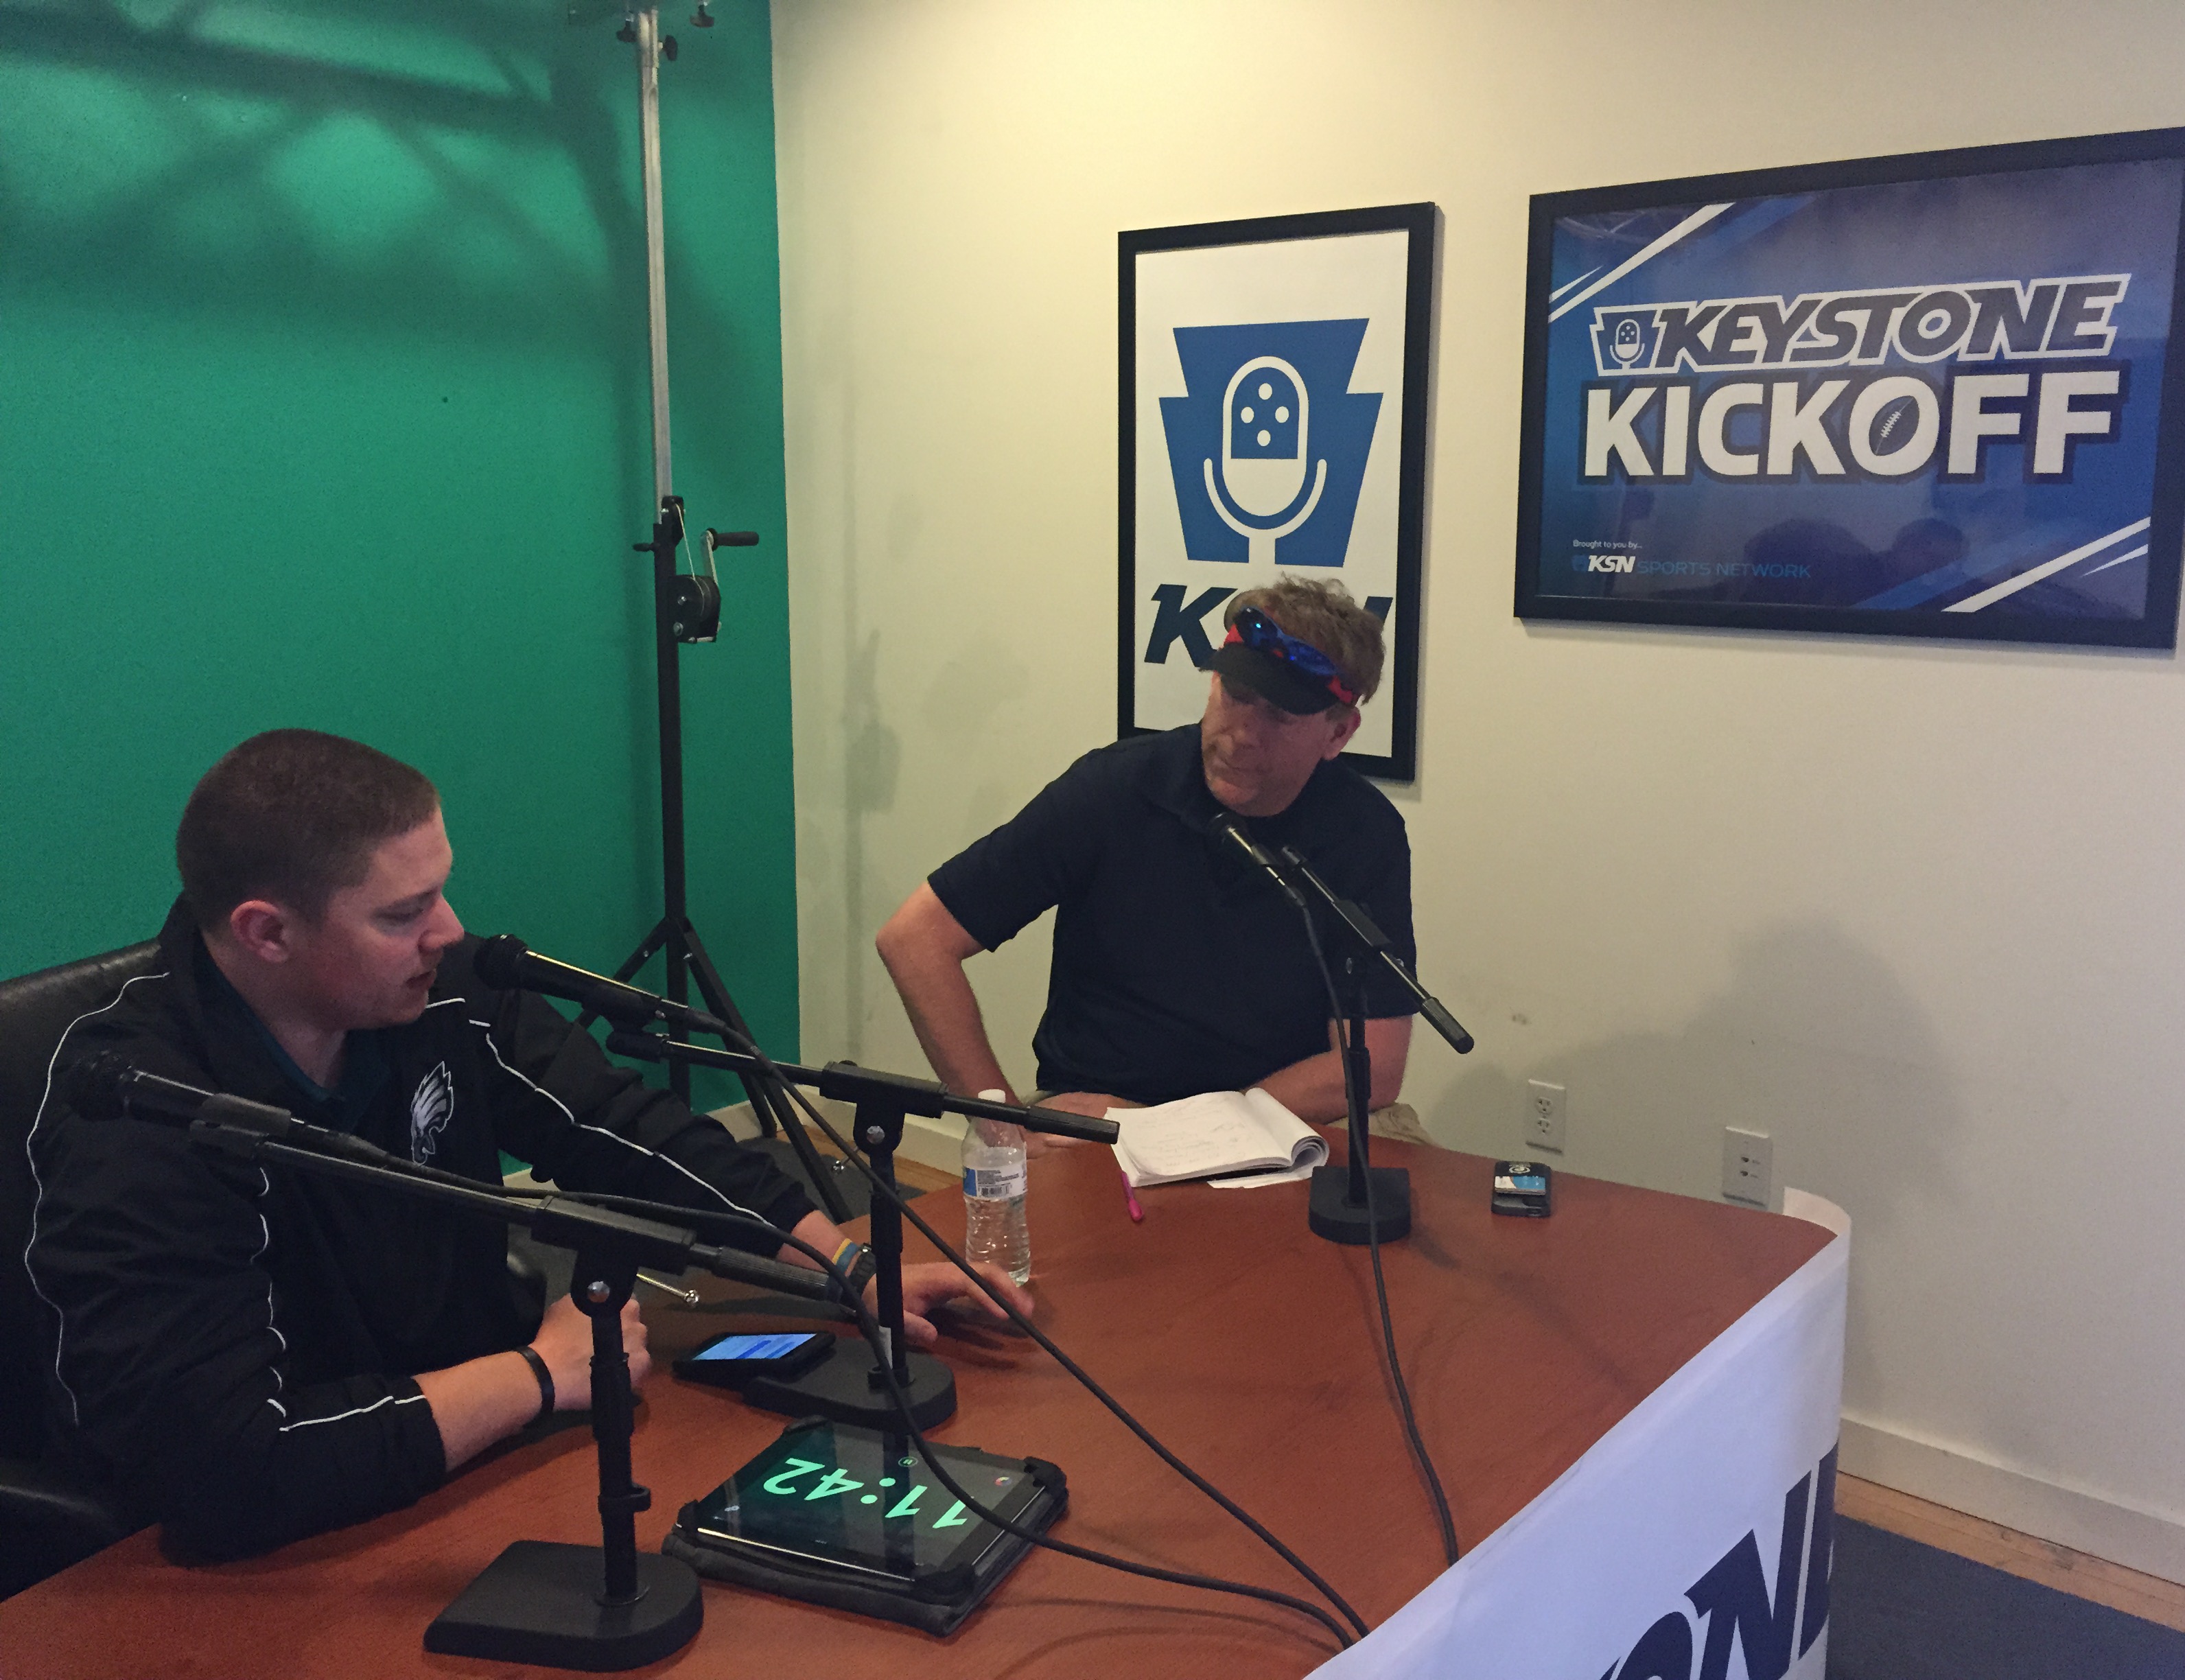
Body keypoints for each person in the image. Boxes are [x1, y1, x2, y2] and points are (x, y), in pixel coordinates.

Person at [23, 730, 1028, 1561]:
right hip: (283, 1555)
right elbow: (225, 1469)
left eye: (441, 891)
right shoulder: (136, 1113)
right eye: (403, 913)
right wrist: (542, 1373)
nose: (448, 930)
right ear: (267, 933)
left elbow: (625, 1131)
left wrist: (847, 1268)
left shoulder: (436, 993)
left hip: (470, 1459)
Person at [876, 577, 1416, 1126]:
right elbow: (915, 939)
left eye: (1279, 716)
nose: (1243, 735)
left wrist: (1186, 1126)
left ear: (1338, 734)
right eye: (1236, 695)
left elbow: (1372, 1066)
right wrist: (1002, 1128)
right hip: (1101, 1108)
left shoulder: (1364, 832)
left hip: (1275, 1115)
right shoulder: (1115, 789)